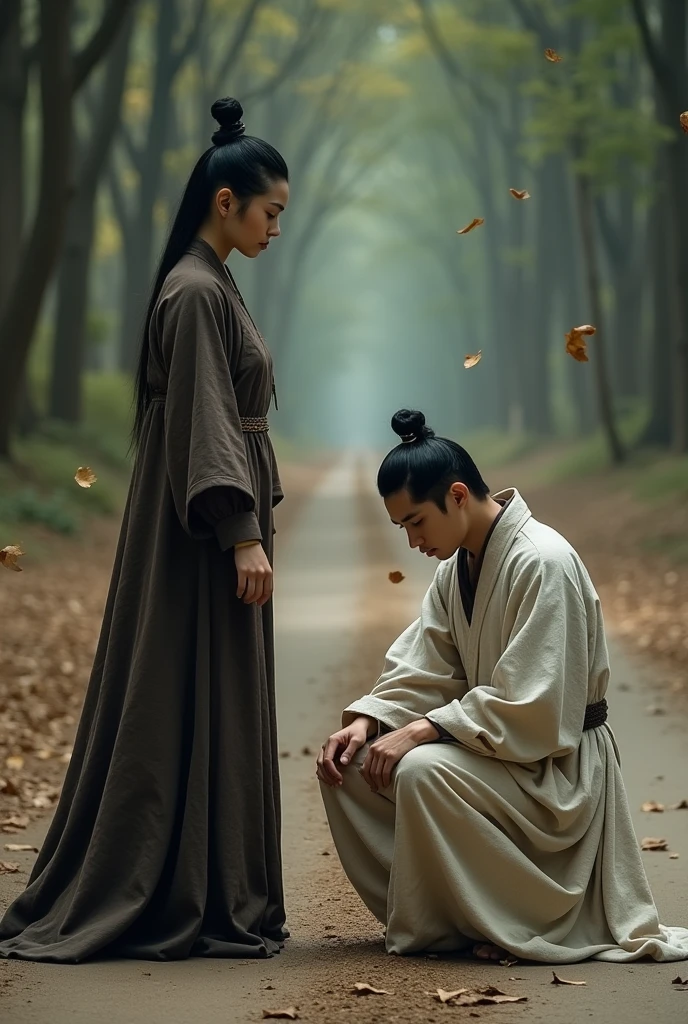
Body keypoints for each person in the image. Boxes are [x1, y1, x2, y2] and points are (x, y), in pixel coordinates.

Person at [0, 98, 290, 962]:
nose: (277, 227)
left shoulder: (208, 281)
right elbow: (205, 419)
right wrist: (241, 530)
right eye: (270, 211)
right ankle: (181, 891)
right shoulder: (198, 290)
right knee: (177, 687)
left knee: (197, 687)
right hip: (197, 535)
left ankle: (200, 885)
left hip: (192, 527)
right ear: (227, 201)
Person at [317, 408, 688, 964]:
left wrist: (423, 730)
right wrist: (373, 719)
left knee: (418, 769)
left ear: (459, 495)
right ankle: (456, 916)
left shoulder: (544, 561)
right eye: (403, 528)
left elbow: (535, 706)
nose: (413, 540)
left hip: (555, 771)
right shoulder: (455, 570)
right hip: (497, 753)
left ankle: (512, 918)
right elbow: (424, 668)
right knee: (349, 767)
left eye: (416, 521)